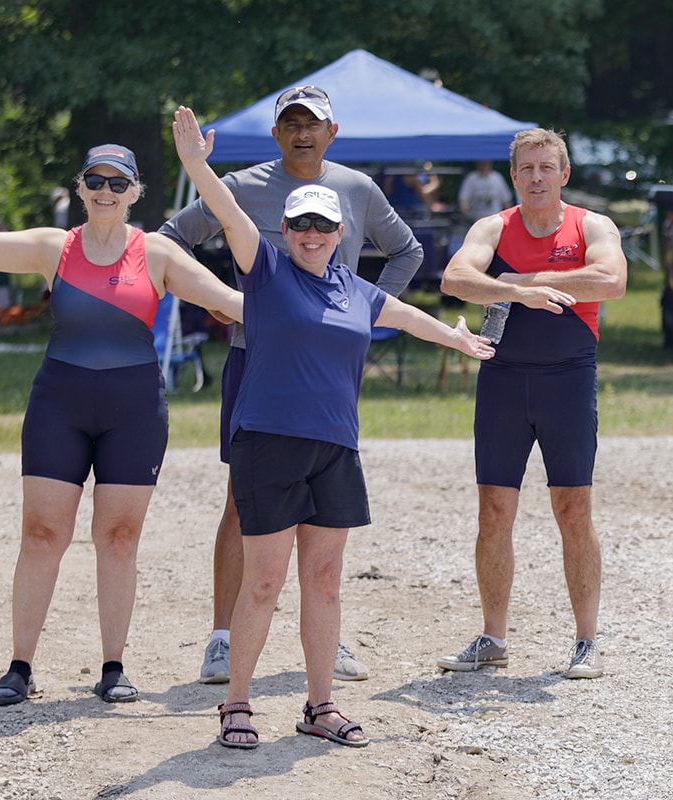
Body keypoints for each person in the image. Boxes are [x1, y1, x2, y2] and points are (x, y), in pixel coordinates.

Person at [0, 142, 244, 707]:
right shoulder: (54, 247)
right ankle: (20, 666)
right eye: (96, 181)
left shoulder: (158, 253)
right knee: (42, 534)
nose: (106, 192)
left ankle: (113, 666)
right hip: (58, 405)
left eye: (119, 183)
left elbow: (231, 301)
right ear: (81, 187)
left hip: (133, 411)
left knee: (118, 538)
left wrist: (325, 305)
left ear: (135, 192)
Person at [172, 107, 495, 749]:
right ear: (285, 230)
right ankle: (236, 702)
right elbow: (226, 214)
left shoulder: (356, 289)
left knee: (323, 581)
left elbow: (402, 313)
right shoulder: (264, 271)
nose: (312, 233)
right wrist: (194, 165)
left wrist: (455, 339)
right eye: (301, 223)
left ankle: (320, 706)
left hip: (335, 450)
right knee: (265, 581)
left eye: (323, 223)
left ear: (341, 231)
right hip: (268, 443)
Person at [158, 84, 424, 688]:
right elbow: (170, 239)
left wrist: (361, 316)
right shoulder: (244, 187)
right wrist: (220, 301)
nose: (303, 132)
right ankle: (222, 638)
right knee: (242, 500)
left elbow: (406, 251)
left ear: (333, 132)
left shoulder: (356, 188)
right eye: (292, 123)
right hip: (256, 363)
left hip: (328, 370)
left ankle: (325, 636)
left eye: (314, 123)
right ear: (276, 134)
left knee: (324, 503)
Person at [435, 128, 627, 680]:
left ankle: (586, 640)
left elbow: (611, 280)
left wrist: (519, 276)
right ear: (512, 175)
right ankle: (493, 637)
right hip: (502, 380)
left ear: (564, 174)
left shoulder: (591, 225)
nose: (537, 177)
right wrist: (519, 293)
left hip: (567, 380)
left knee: (573, 510)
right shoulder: (493, 226)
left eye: (547, 168)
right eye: (526, 169)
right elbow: (455, 278)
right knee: (493, 511)